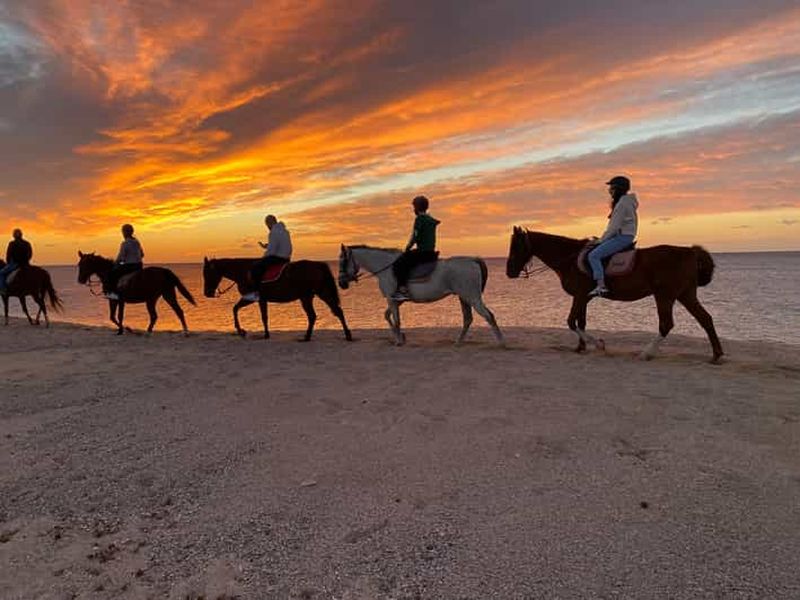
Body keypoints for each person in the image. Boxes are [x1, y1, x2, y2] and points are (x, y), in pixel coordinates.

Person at [587, 175, 639, 297]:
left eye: (611, 188)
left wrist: (601, 241)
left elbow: (614, 227)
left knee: (593, 255)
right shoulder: (627, 202)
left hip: (622, 237)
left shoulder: (622, 204)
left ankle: (601, 285)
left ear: (617, 189)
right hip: (625, 235)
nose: (609, 190)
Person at [392, 195, 440, 300]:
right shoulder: (430, 219)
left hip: (422, 252)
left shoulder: (420, 219)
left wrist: (408, 247)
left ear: (417, 208)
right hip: (431, 251)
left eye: (414, 207)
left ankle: (403, 290)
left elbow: (415, 236)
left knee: (399, 264)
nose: (414, 209)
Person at [242, 215, 292, 301]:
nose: (267, 227)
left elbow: (271, 251)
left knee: (255, 267)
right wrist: (267, 246)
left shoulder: (273, 232)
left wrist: (263, 258)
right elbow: (280, 244)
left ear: (270, 223)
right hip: (286, 257)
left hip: (278, 257)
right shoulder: (284, 231)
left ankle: (256, 293)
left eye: (267, 225)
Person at [104, 224, 144, 300]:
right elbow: (142, 254)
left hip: (130, 266)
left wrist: (115, 264)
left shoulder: (125, 243)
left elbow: (121, 257)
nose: (123, 234)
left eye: (123, 232)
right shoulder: (137, 242)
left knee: (112, 275)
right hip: (139, 266)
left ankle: (113, 294)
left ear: (125, 232)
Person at [0, 229, 33, 293]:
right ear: (21, 235)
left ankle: (3, 289)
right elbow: (30, 254)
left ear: (14, 235)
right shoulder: (27, 243)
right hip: (26, 264)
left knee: (1, 273)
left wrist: (8, 263)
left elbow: (8, 254)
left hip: (15, 264)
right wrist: (26, 261)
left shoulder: (12, 244)